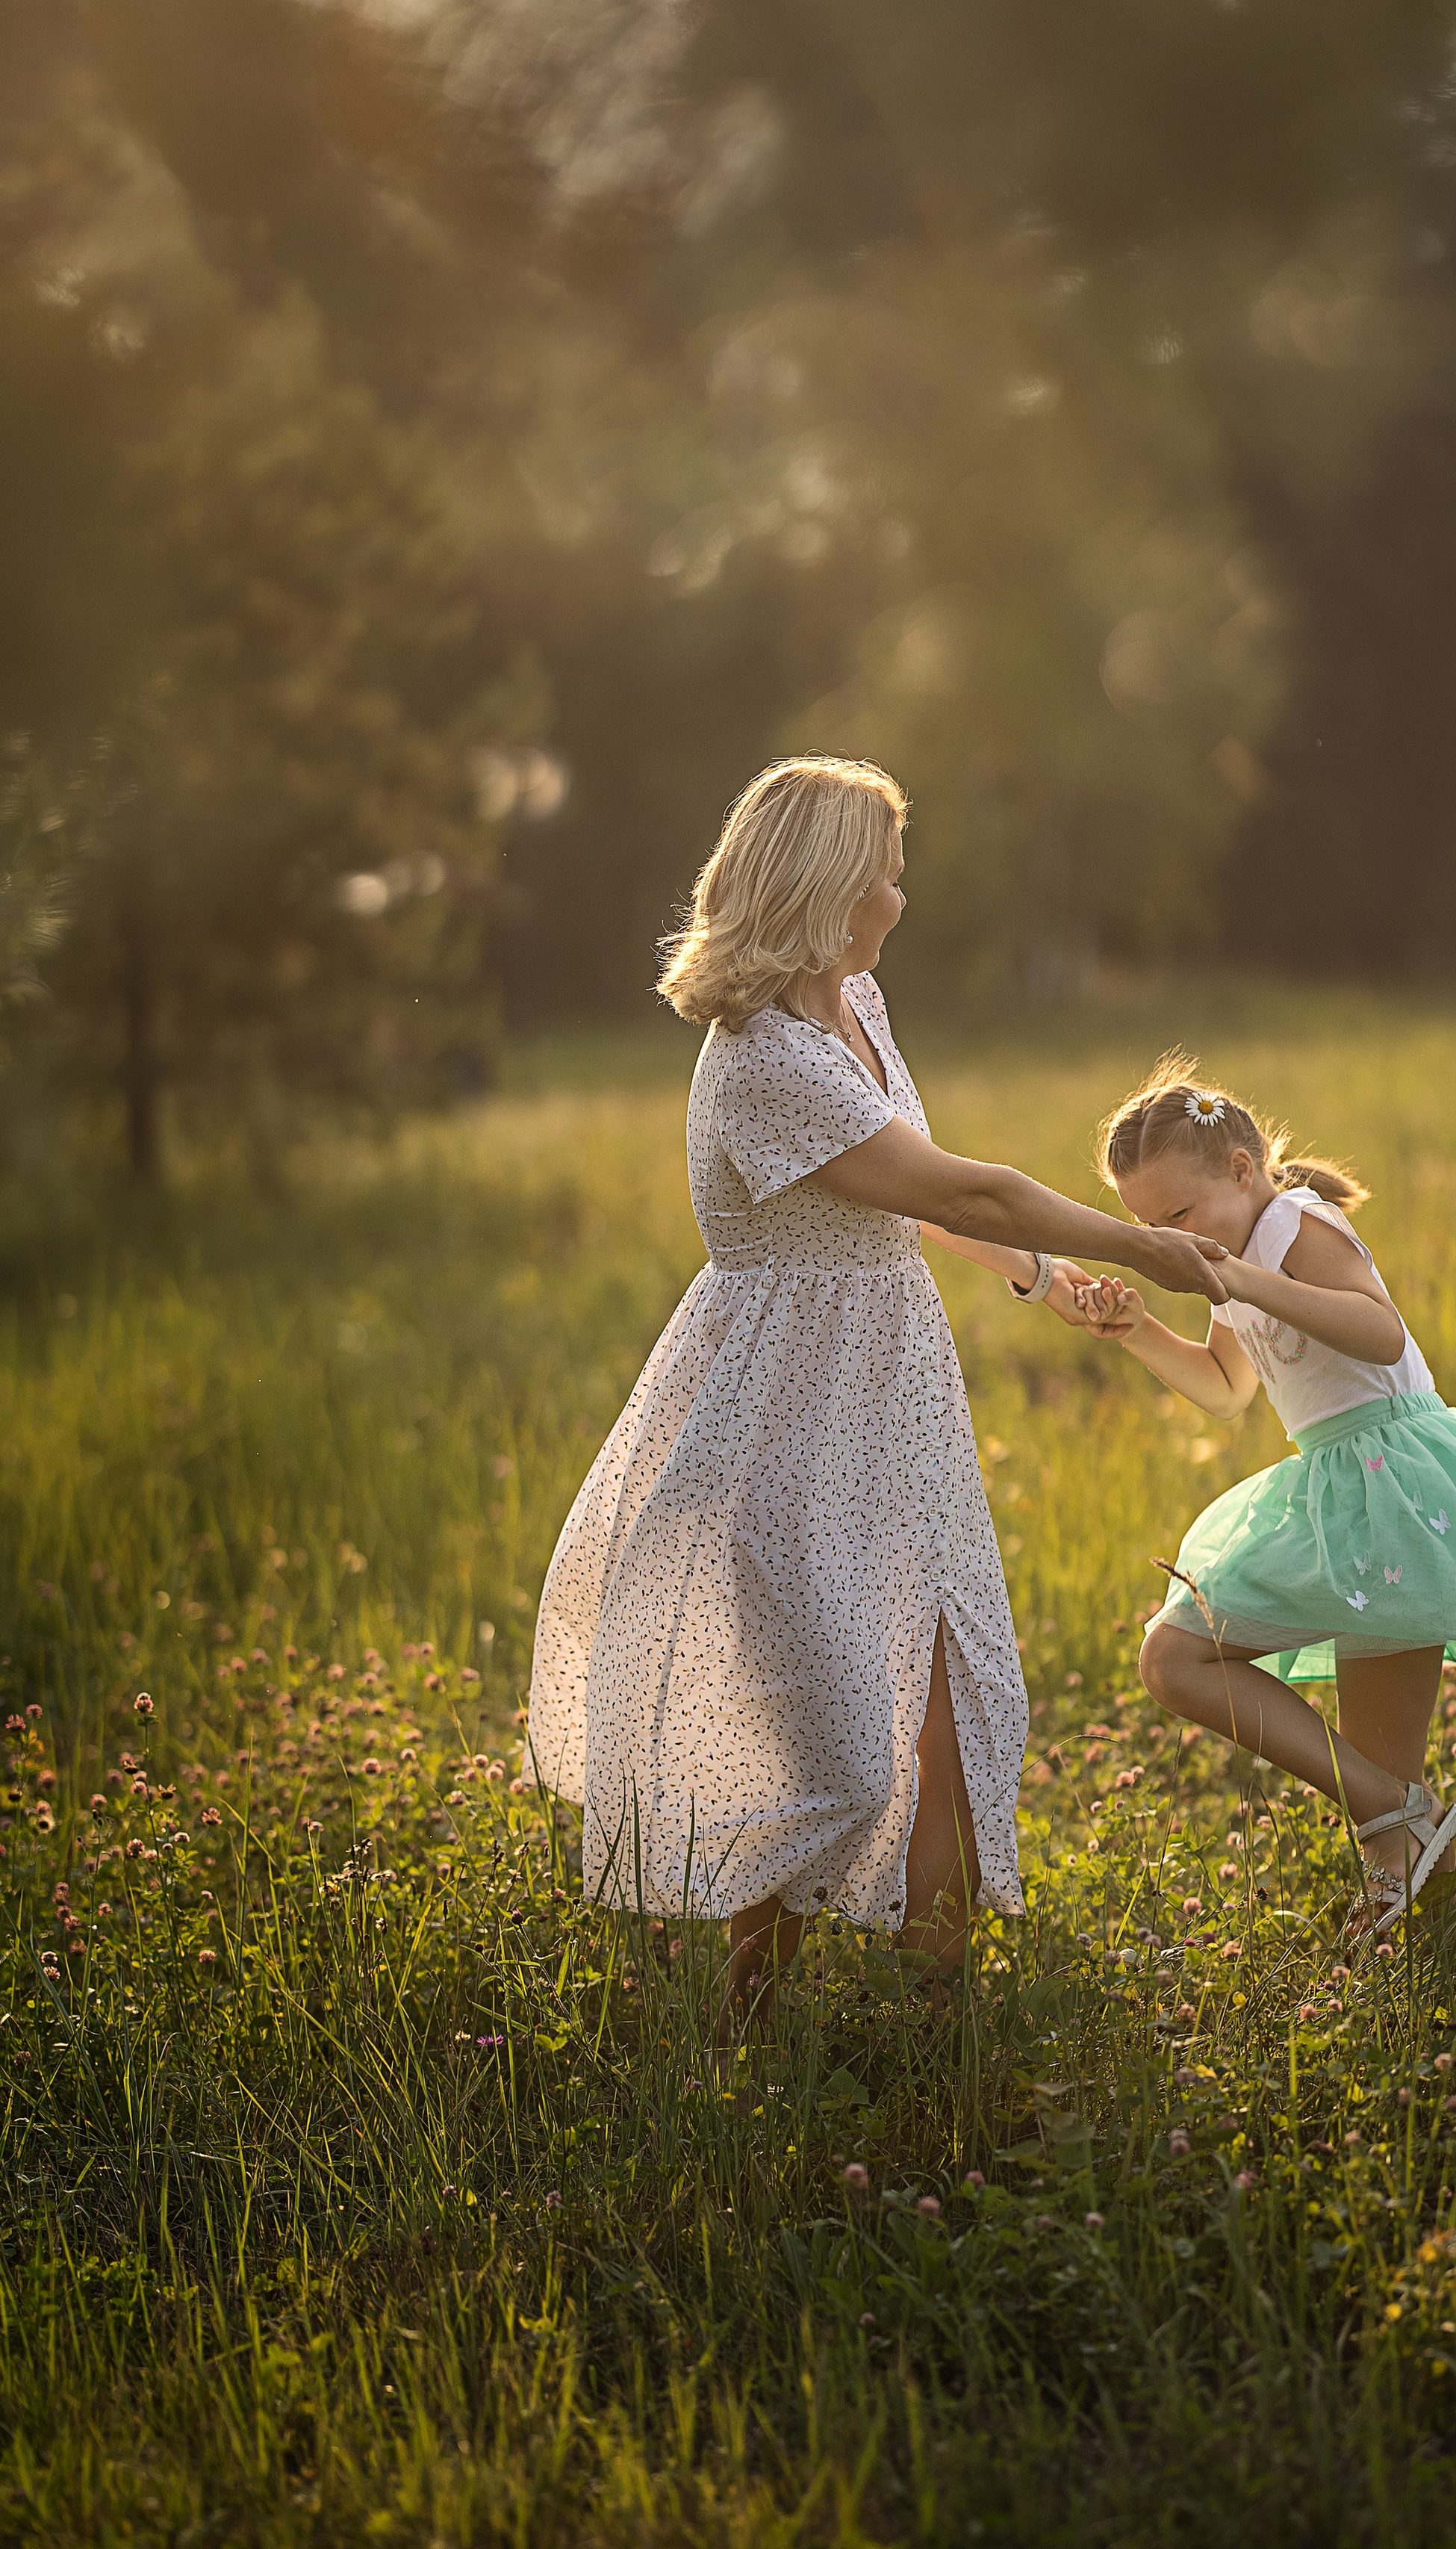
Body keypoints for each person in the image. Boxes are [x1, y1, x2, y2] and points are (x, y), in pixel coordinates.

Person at [523, 760, 1225, 2030]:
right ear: (832, 880)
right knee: (827, 1739)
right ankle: (755, 2032)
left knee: (949, 1711)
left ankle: (936, 2035)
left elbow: (917, 1199)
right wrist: (1141, 1246)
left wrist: (1045, 1278)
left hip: (889, 1396)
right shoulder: (760, 1056)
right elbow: (961, 1185)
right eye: (887, 862)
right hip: (781, 1409)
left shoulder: (856, 1003)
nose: (902, 888)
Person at [1074, 1053, 1456, 1935]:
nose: (1167, 1241)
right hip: (1342, 1496)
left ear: (1241, 1170)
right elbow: (1226, 1388)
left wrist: (1233, 1278)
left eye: (1178, 1215)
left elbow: (1379, 1333)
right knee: (1352, 1778)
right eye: (1149, 1226)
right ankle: (1410, 1846)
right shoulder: (1230, 1255)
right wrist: (1140, 1328)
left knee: (1178, 1661)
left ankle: (1408, 1859)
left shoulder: (1292, 1225)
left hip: (1398, 1483)